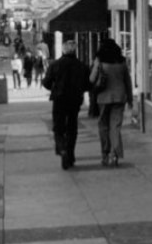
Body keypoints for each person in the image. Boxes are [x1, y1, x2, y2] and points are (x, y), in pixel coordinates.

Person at [43, 37, 89, 169]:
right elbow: (87, 84)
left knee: (58, 127)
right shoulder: (81, 66)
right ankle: (70, 154)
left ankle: (62, 148)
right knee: (72, 127)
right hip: (75, 100)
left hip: (59, 98)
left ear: (63, 51)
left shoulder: (55, 65)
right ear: (75, 51)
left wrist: (55, 88)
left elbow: (46, 83)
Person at [90, 37, 134, 167]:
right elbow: (128, 82)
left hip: (103, 98)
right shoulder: (121, 62)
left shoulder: (100, 61)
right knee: (115, 126)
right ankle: (114, 154)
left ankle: (105, 153)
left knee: (103, 125)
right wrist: (130, 98)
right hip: (120, 97)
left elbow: (92, 79)